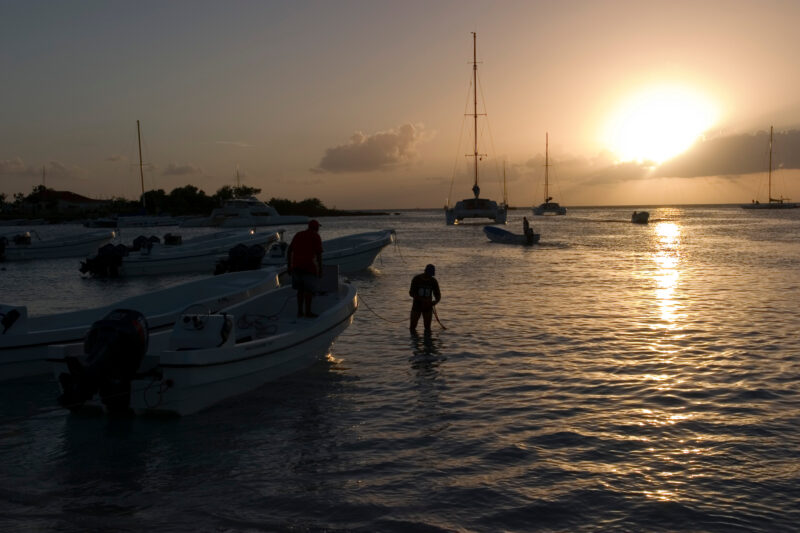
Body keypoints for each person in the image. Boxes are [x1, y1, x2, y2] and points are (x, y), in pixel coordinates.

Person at [287, 219, 323, 318]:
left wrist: (289, 266)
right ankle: (308, 312)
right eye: (318, 227)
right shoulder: (316, 236)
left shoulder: (298, 234)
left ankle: (299, 312)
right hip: (309, 267)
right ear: (316, 227)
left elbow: (289, 251)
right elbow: (319, 255)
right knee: (309, 291)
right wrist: (320, 269)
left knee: (300, 290)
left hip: (296, 267)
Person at [409, 264, 441, 334]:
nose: (430, 276)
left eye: (431, 275)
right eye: (429, 274)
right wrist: (421, 299)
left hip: (428, 307)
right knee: (412, 327)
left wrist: (434, 302)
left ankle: (427, 343)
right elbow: (411, 293)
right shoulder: (416, 279)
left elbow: (438, 295)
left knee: (427, 328)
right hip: (416, 306)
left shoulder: (433, 281)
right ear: (425, 272)